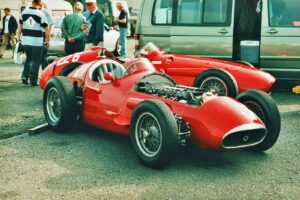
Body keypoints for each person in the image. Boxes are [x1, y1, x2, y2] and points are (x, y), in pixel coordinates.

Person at [17, 0, 50, 86]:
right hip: (37, 42)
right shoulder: (40, 14)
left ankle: (24, 76)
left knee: (28, 59)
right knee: (36, 61)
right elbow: (47, 29)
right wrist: (47, 41)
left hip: (26, 41)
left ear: (32, 3)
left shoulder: (23, 13)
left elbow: (20, 28)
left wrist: (19, 40)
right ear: (40, 5)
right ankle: (33, 81)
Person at [39, 2, 53, 70]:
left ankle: (45, 72)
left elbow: (50, 25)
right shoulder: (34, 12)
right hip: (36, 35)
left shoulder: (45, 12)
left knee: (43, 56)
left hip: (44, 34)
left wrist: (48, 39)